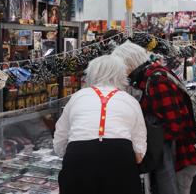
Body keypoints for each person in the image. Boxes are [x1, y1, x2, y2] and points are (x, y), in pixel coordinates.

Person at [113, 41, 196, 194]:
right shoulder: (153, 74)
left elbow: (174, 126)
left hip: (179, 158)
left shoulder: (155, 80)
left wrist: (149, 137)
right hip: (178, 156)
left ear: (128, 64)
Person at [53, 55, 146, 194]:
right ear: (121, 75)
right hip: (119, 157)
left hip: (79, 155)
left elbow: (60, 136)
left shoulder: (78, 96)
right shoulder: (130, 100)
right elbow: (139, 147)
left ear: (90, 73)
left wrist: (66, 154)